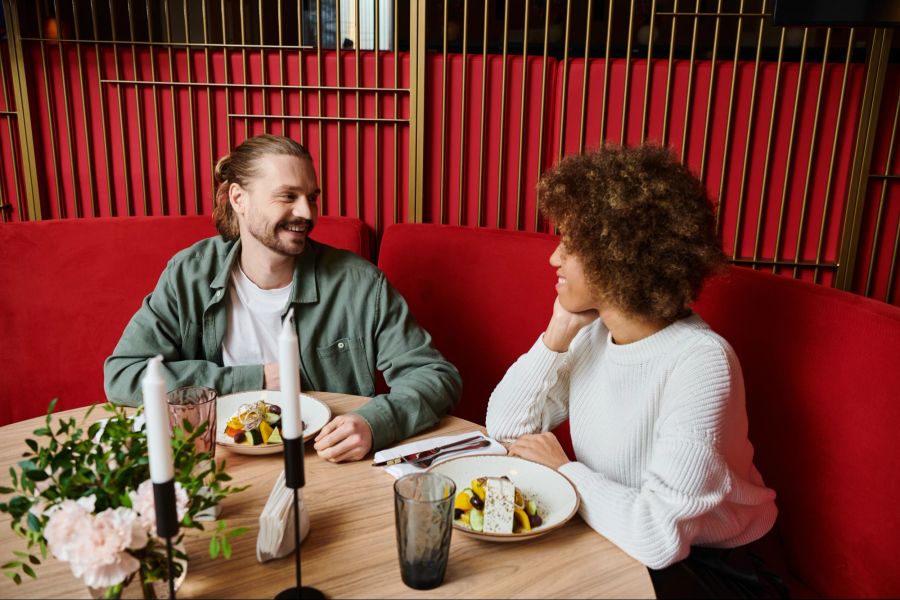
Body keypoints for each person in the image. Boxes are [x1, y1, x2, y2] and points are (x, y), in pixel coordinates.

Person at [485, 145, 785, 598]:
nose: (554, 259)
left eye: (571, 244)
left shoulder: (701, 362)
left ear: (619, 255)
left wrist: (567, 471)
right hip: (616, 536)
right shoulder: (592, 333)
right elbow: (506, 427)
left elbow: (658, 538)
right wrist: (557, 332)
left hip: (716, 572)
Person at [104, 134, 461, 462]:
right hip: (215, 464)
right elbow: (123, 375)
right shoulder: (189, 274)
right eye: (288, 196)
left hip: (322, 463)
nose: (306, 212)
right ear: (238, 199)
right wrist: (255, 379)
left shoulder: (359, 283)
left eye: (312, 197)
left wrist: (374, 423)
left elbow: (435, 375)